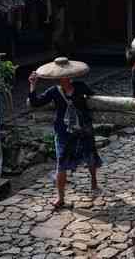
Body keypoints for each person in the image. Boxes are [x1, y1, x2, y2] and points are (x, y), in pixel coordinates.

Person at [29, 58, 102, 209]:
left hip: (83, 130)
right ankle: (60, 197)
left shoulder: (81, 87)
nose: (65, 79)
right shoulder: (53, 92)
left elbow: (95, 100)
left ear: (71, 76)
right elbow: (35, 102)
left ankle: (94, 182)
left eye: (67, 77)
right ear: (58, 78)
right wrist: (32, 85)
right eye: (62, 77)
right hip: (63, 132)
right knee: (61, 163)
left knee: (90, 155)